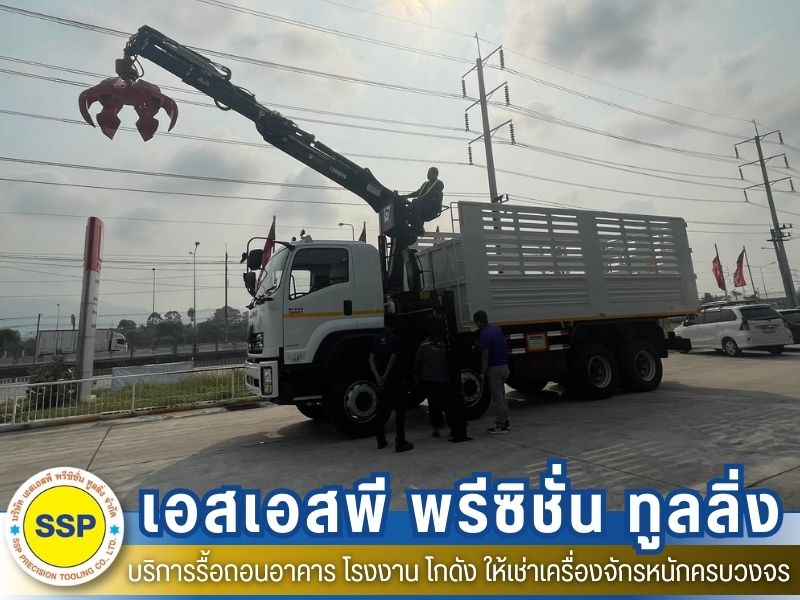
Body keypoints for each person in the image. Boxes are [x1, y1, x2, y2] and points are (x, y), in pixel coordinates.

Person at [414, 319, 471, 442]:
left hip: (430, 380)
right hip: (443, 380)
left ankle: (436, 428)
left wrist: (417, 375)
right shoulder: (445, 345)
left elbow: (418, 362)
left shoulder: (423, 345)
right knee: (447, 405)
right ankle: (451, 428)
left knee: (433, 405)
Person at [370, 312, 413, 452]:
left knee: (381, 410)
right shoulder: (395, 338)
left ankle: (380, 440)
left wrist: (378, 377)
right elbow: (393, 359)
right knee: (400, 411)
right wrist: (386, 375)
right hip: (394, 379)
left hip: (381, 380)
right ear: (394, 324)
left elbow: (371, 359)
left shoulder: (377, 338)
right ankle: (400, 442)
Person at [473, 310, 510, 434]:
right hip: (504, 366)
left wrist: (482, 374)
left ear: (478, 321)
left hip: (495, 369)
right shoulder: (497, 329)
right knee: (502, 396)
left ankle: (501, 425)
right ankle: (506, 422)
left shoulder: (484, 335)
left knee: (497, 398)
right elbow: (504, 344)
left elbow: (485, 357)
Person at [400, 167, 444, 232]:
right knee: (407, 208)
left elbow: (435, 195)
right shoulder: (425, 184)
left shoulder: (439, 183)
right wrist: (407, 196)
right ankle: (407, 224)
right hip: (421, 204)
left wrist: (422, 199)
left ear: (435, 174)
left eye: (429, 173)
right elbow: (418, 192)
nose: (427, 175)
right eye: (428, 173)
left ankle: (418, 225)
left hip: (431, 207)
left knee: (416, 202)